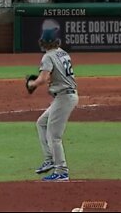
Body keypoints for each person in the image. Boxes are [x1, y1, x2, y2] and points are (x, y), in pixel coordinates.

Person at [27, 19, 79, 181]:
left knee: (54, 136)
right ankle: (49, 159)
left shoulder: (48, 57)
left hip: (64, 97)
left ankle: (61, 171)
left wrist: (31, 83)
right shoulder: (63, 53)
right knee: (41, 123)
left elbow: (43, 79)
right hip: (67, 95)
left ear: (44, 42)